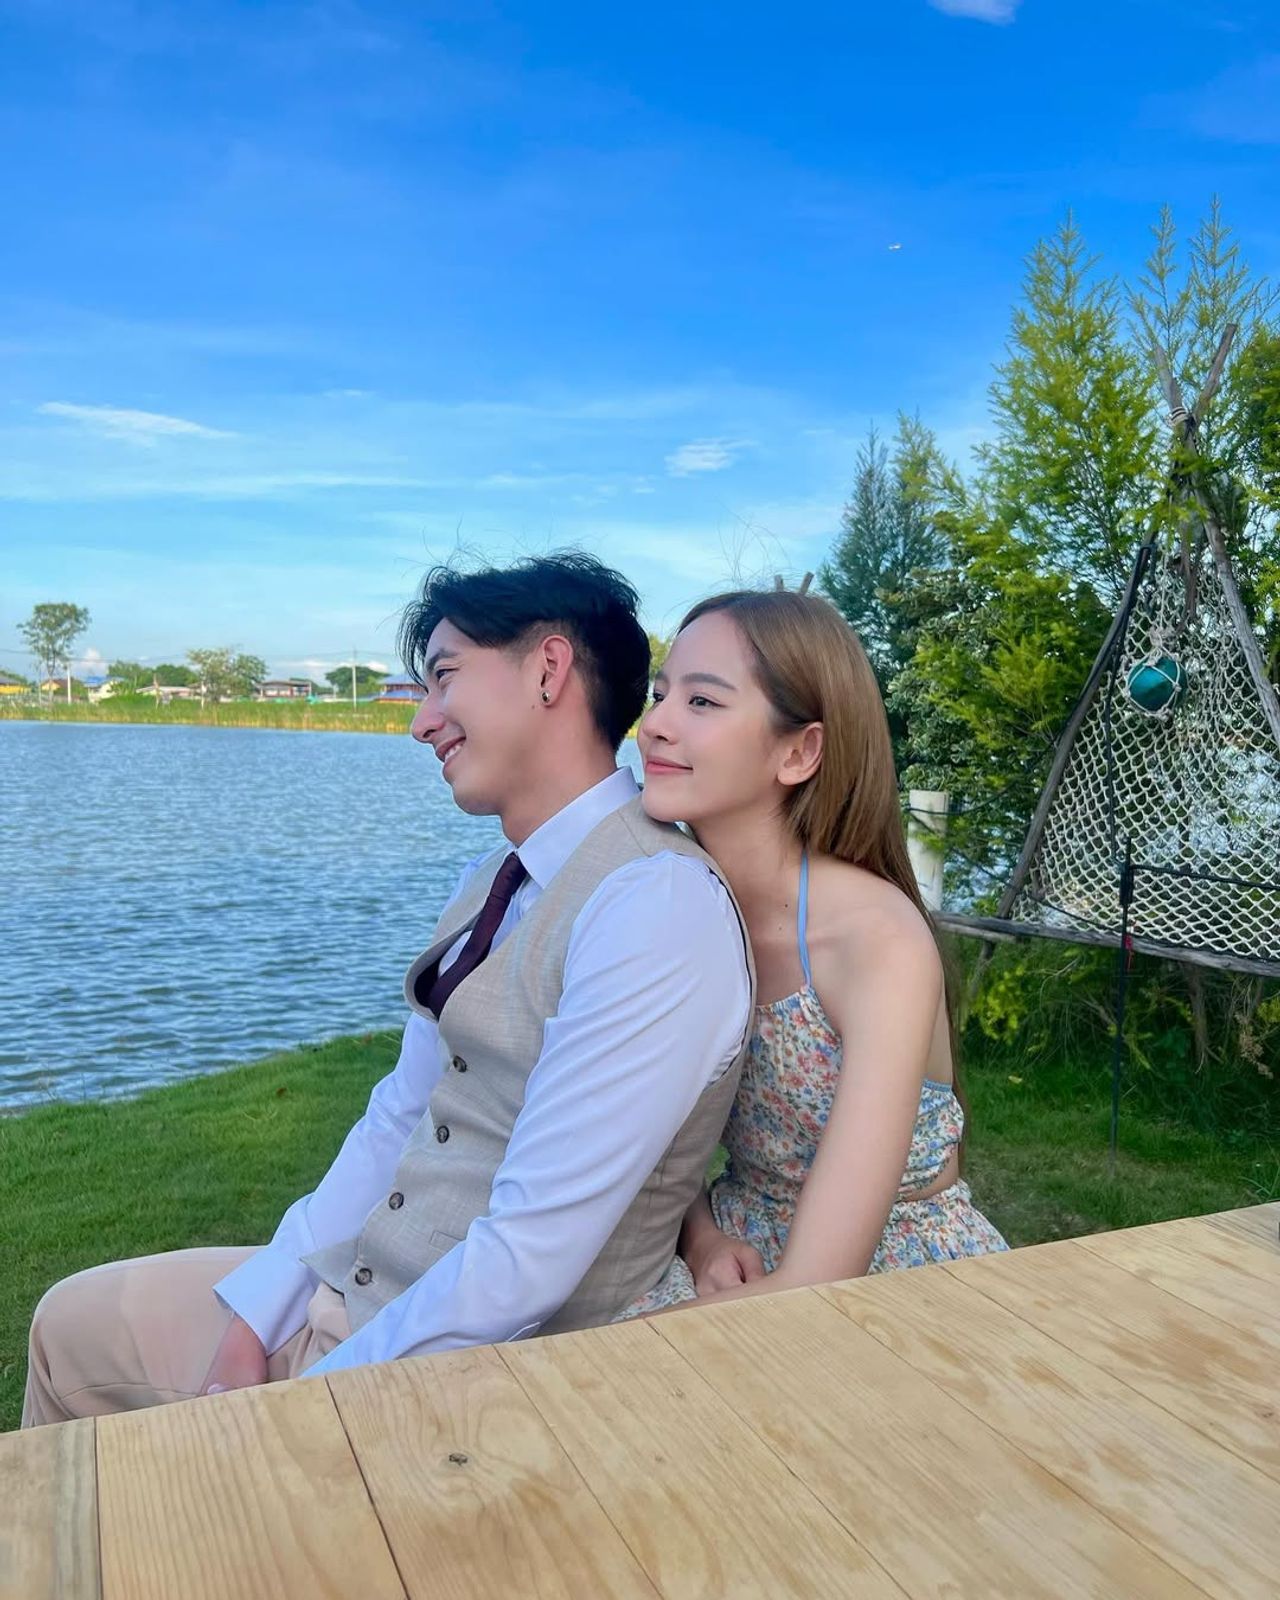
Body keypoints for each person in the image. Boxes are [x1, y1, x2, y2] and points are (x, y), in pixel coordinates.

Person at [22, 553, 753, 1428]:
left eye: (445, 677)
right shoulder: (495, 881)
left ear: (549, 670)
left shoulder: (654, 905)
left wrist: (310, 1403)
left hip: (471, 1377)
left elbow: (530, 1256)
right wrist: (258, 1313)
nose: (421, 723)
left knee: (75, 1342)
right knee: (69, 1322)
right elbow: (401, 1114)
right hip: (361, 1296)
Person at [619, 588, 1006, 1322]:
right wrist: (702, 1237)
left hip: (884, 1280)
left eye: (702, 702)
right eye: (660, 695)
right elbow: (654, 1134)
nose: (655, 726)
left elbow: (820, 1281)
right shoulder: (676, 911)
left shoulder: (876, 940)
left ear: (798, 752)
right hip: (731, 1247)